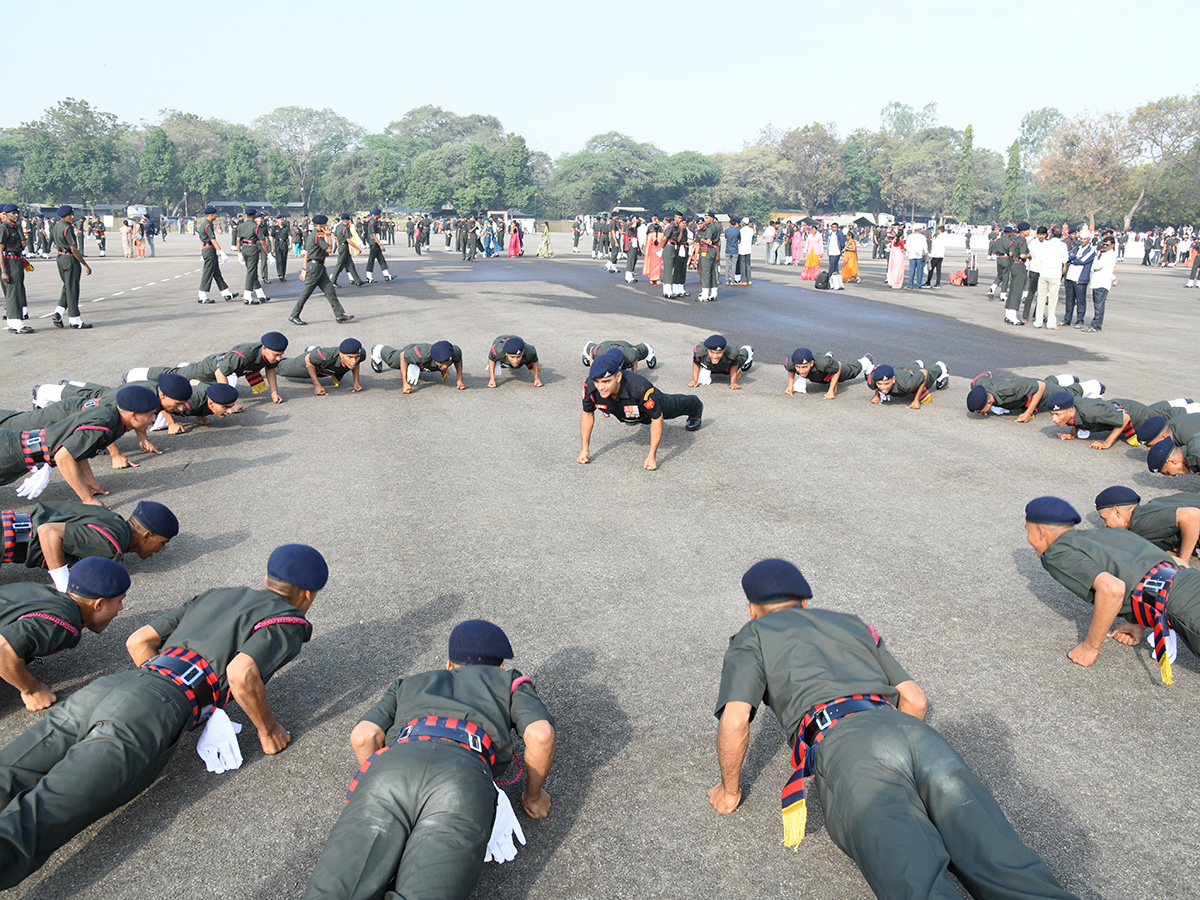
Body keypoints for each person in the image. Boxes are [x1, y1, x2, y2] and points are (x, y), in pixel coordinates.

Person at [709, 558, 1082, 900]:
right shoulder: (852, 623)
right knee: (1005, 863)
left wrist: (729, 791)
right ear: (805, 602)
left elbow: (736, 720)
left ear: (752, 610)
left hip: (849, 749)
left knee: (918, 884)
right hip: (914, 735)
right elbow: (915, 700)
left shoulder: (752, 636)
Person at [0, 544, 326, 887]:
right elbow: (241, 674)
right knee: (37, 817)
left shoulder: (218, 594)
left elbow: (139, 641)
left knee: (10, 771)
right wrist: (268, 730)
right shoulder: (287, 622)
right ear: (308, 594)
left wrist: (155, 686)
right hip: (150, 712)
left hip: (110, 688)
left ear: (268, 579)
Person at [301, 619, 556, 900]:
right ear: (500, 666)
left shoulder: (407, 684)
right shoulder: (510, 682)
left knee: (335, 892)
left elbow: (364, 736)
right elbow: (541, 735)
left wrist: (376, 780)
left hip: (392, 766)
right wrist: (534, 798)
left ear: (448, 664)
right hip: (462, 776)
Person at [1024, 496, 1200, 682]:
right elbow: (1175, 564)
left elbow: (1112, 589)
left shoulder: (1056, 552)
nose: (1028, 538)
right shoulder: (1115, 533)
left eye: (1028, 531)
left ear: (1041, 532)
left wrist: (1089, 648)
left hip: (1186, 608)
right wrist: (1139, 620)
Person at [0, 558, 130, 712]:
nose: (121, 608)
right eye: (119, 601)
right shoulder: (62, 622)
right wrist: (32, 689)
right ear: (99, 604)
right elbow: (3, 650)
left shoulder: (43, 592)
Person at [0, 385, 160, 505]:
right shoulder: (106, 423)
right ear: (133, 415)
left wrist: (88, 481)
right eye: (151, 414)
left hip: (17, 449)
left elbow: (78, 449)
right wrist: (87, 499)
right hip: (10, 452)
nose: (153, 419)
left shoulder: (110, 414)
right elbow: (64, 457)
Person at [1, 498, 177, 590]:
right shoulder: (110, 544)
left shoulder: (113, 519)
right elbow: (48, 532)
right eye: (162, 542)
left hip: (9, 526)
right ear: (146, 536)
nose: (162, 549)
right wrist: (62, 583)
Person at [578, 349, 702, 471]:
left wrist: (652, 456)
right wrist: (584, 450)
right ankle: (630, 417)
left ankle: (696, 406)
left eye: (606, 381)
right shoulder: (591, 388)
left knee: (673, 405)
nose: (601, 387)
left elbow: (657, 418)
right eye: (597, 381)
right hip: (626, 410)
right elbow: (587, 414)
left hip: (645, 408)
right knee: (624, 409)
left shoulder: (640, 387)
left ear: (618, 377)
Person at [128, 332, 289, 406]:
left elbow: (270, 370)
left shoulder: (269, 356)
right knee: (177, 376)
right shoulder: (243, 354)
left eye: (280, 355)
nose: (278, 358)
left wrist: (273, 392)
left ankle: (187, 366)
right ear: (264, 348)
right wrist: (229, 402)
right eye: (276, 355)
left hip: (227, 370)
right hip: (210, 368)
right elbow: (220, 373)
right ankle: (135, 374)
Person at [1094, 485, 1200, 562]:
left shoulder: (1137, 523)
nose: (1106, 525)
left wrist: (1183, 561)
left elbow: (1192, 516)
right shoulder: (1155, 504)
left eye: (1105, 519)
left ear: (1117, 512)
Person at [1045, 392, 1180, 449]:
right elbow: (1079, 419)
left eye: (1057, 414)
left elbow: (1125, 418)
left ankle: (1185, 408)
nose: (1054, 419)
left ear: (1070, 411)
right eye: (1052, 415)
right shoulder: (1072, 409)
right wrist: (1072, 433)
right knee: (1155, 411)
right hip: (1115, 408)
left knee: (1165, 419)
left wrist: (1106, 443)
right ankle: (1178, 402)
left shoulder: (1092, 412)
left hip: (1134, 416)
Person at [290, 215, 355, 326]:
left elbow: (306, 253)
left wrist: (304, 268)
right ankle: (294, 315)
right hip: (316, 267)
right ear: (320, 225)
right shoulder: (318, 235)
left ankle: (339, 314)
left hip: (317, 266)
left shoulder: (312, 235)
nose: (327, 226)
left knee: (330, 291)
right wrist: (329, 236)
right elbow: (329, 249)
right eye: (325, 224)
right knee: (306, 292)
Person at [965, 373, 1104, 422]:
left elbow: (1040, 387)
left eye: (981, 410)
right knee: (1048, 382)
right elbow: (985, 374)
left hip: (1041, 390)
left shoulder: (1008, 389)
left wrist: (1028, 412)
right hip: (1026, 385)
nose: (981, 413)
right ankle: (1069, 378)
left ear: (989, 401)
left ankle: (1094, 385)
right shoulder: (979, 385)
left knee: (1066, 394)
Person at [50, 206, 92, 329]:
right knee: (73, 289)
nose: (72, 217)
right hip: (70, 259)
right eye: (69, 215)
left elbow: (56, 245)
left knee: (67, 286)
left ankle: (58, 312)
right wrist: (85, 264)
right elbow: (74, 249)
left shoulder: (57, 226)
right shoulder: (67, 228)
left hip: (60, 257)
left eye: (72, 214)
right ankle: (75, 319)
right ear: (63, 216)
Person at [275, 338, 365, 396]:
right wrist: (317, 385)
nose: (354, 361)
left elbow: (356, 363)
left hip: (325, 366)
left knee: (322, 359)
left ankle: (314, 351)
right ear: (340, 354)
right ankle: (270, 359)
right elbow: (308, 360)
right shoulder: (327, 356)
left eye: (356, 357)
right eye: (350, 357)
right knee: (279, 368)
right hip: (308, 364)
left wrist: (356, 381)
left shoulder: (361, 354)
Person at [369, 341, 466, 393]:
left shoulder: (454, 352)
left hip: (421, 360)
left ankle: (414, 363)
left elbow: (458, 360)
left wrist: (460, 379)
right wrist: (405, 383)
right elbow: (403, 356)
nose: (445, 367)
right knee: (393, 361)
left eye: (447, 363)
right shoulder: (423, 353)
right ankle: (377, 349)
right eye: (441, 364)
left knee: (426, 366)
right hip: (411, 352)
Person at [784, 348, 872, 398]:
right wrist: (790, 386)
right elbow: (791, 369)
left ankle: (866, 361)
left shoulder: (823, 363)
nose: (801, 371)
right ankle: (828, 357)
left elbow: (838, 367)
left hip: (827, 366)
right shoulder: (791, 362)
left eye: (804, 367)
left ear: (811, 363)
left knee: (850, 372)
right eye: (798, 367)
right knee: (818, 377)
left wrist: (831, 391)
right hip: (822, 368)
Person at [1, 203, 33, 333]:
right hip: (9, 261)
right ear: (6, 214)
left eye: (17, 213)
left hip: (17, 259)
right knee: (13, 293)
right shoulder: (4, 228)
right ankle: (16, 323)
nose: (16, 215)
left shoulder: (16, 227)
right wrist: (3, 271)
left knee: (17, 291)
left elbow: (22, 244)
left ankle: (13, 322)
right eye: (13, 213)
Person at [866, 361, 950, 409]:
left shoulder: (906, 384)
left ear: (893, 380)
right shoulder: (872, 382)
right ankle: (915, 364)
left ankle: (940, 367)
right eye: (879, 384)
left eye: (886, 383)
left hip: (909, 374)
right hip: (899, 368)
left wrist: (916, 400)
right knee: (904, 369)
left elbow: (924, 373)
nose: (883, 387)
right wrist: (877, 396)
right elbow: (879, 368)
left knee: (927, 381)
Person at [196, 205, 235, 304]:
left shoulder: (203, 224)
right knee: (207, 273)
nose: (216, 216)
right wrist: (221, 252)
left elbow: (201, 240)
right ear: (210, 215)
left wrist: (201, 252)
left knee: (216, 273)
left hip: (206, 249)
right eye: (215, 214)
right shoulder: (208, 225)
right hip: (209, 249)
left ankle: (226, 293)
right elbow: (213, 240)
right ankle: (202, 296)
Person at [689, 334, 753, 391]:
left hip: (727, 366)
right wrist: (694, 380)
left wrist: (733, 383)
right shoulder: (700, 352)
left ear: (724, 350)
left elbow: (734, 365)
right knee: (707, 368)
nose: (715, 356)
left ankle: (747, 350)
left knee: (740, 360)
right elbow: (696, 363)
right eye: (712, 352)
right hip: (710, 365)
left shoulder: (732, 353)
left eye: (719, 353)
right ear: (707, 349)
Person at [1033, 227, 1068, 328]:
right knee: (1052, 299)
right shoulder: (1062, 245)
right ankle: (1051, 322)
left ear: (1051, 234)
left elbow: (1039, 258)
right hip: (1055, 274)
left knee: (1041, 298)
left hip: (1044, 273)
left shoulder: (1045, 244)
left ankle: (1038, 321)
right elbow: (1065, 259)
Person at [235, 208, 270, 305]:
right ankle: (247, 296)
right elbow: (262, 242)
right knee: (251, 272)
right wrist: (268, 253)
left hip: (244, 248)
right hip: (252, 249)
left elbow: (238, 240)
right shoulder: (256, 226)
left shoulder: (241, 226)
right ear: (255, 216)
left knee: (252, 272)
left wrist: (239, 252)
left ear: (246, 216)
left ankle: (261, 295)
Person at [1085, 235, 1117, 332]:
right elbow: (1095, 268)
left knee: (1098, 305)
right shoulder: (1104, 254)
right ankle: (1097, 325)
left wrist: (1096, 265)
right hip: (1097, 282)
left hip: (1102, 283)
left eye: (1107, 245)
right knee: (1099, 305)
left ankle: (1095, 325)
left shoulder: (1110, 255)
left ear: (1112, 245)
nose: (1105, 246)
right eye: (1104, 245)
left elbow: (1096, 266)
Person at [330, 214, 364, 287]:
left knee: (350, 264)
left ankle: (358, 280)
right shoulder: (345, 228)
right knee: (339, 264)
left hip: (341, 246)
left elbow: (336, 237)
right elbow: (349, 240)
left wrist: (338, 246)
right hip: (344, 247)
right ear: (347, 220)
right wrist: (357, 248)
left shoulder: (338, 226)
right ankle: (333, 280)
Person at [580, 339, 657, 372]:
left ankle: (647, 348)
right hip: (605, 345)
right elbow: (592, 350)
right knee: (589, 348)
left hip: (624, 346)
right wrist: (593, 369)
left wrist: (634, 375)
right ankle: (588, 345)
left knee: (639, 352)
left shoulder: (630, 355)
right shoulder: (600, 353)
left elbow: (635, 358)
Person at [695, 211, 721, 301]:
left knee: (705, 272)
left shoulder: (710, 228)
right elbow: (717, 242)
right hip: (713, 249)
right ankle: (714, 293)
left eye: (707, 218)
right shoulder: (717, 226)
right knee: (712, 272)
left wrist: (702, 240)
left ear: (712, 218)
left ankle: (705, 294)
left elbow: (708, 241)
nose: (706, 220)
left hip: (707, 250)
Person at [826, 222, 846, 290]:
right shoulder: (830, 233)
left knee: (832, 267)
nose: (834, 228)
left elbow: (842, 243)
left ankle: (829, 281)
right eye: (833, 227)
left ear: (837, 228)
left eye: (835, 227)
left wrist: (842, 250)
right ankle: (837, 281)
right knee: (835, 267)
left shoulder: (839, 234)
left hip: (836, 252)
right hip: (831, 252)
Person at [723, 217, 740, 285]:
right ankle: (733, 280)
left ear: (730, 224)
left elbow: (726, 238)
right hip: (735, 249)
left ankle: (727, 280)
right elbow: (739, 239)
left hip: (728, 249)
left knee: (727, 265)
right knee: (733, 265)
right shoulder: (737, 231)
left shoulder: (726, 230)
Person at [272, 215, 290, 281]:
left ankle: (283, 274)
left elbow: (289, 235)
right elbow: (272, 238)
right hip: (277, 243)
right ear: (277, 220)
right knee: (279, 259)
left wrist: (290, 244)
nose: (281, 221)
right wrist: (272, 247)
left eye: (282, 220)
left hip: (284, 243)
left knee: (284, 259)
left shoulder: (286, 227)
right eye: (279, 220)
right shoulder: (274, 228)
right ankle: (280, 274)